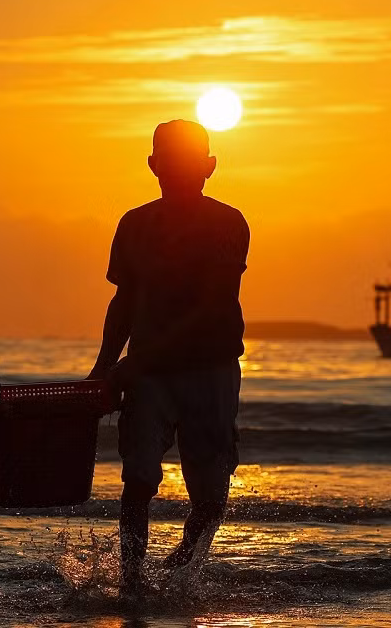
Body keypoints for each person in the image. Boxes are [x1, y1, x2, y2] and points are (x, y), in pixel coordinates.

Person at [86, 119, 250, 596]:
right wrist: (103, 367)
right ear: (153, 166)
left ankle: (180, 569)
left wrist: (127, 366)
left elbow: (211, 307)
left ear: (209, 168)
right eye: (169, 162)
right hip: (148, 376)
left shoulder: (228, 223)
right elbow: (123, 303)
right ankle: (132, 582)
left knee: (211, 489)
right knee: (138, 478)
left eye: (189, 163)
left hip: (211, 368)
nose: (178, 172)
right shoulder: (134, 224)